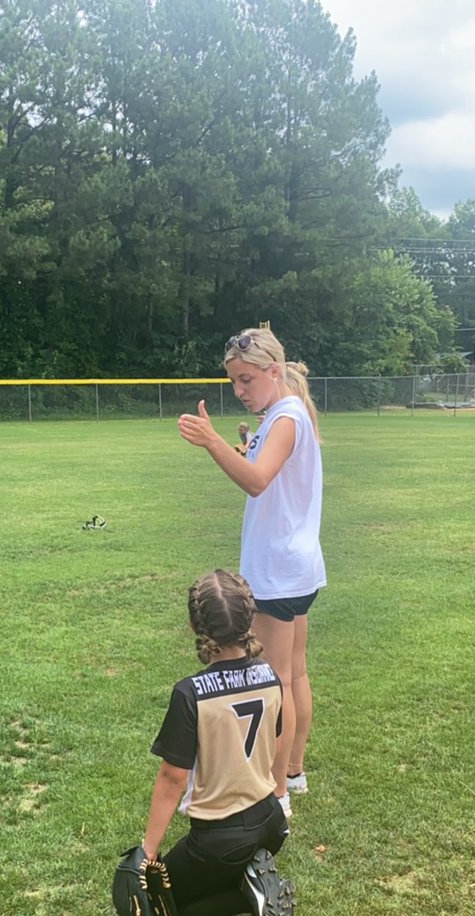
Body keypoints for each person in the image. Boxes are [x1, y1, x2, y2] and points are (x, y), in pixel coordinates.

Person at [178, 328, 326, 810]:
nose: (240, 391)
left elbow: (258, 481)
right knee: (294, 674)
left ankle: (277, 793)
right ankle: (293, 772)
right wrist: (234, 446)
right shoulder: (285, 414)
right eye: (234, 383)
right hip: (296, 566)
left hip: (278, 570)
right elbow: (262, 472)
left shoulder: (285, 416)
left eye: (246, 380)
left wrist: (212, 443)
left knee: (277, 682)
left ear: (274, 371)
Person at [141, 568, 297, 916]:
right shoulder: (271, 677)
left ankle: (245, 895)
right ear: (250, 619)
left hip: (217, 840)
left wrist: (148, 852)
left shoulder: (190, 693)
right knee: (216, 869)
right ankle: (251, 877)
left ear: (195, 625)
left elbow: (172, 779)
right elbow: (276, 741)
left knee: (158, 909)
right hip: (270, 822)